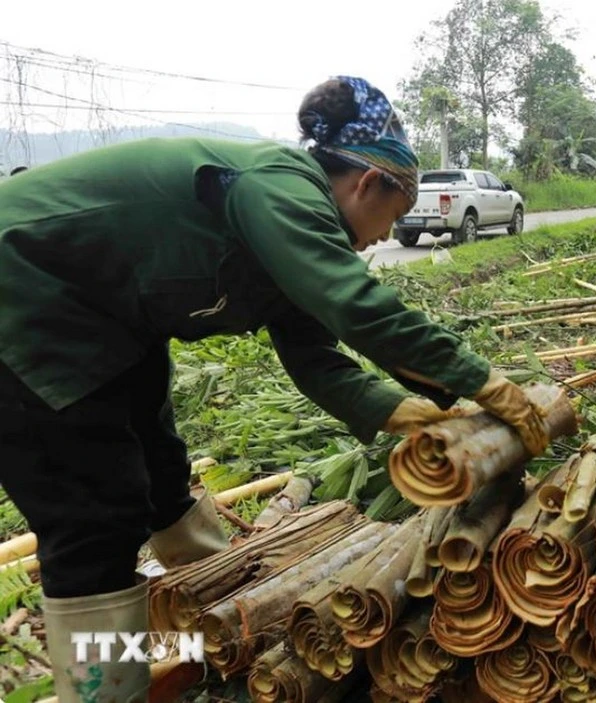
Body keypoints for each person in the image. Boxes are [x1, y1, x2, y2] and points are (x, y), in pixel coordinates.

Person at [0, 75, 549, 702]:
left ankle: (216, 621)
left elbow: (315, 356)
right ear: (370, 183)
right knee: (96, 516)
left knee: (158, 475)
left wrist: (405, 412)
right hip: (24, 299)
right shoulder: (280, 187)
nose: (376, 241)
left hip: (107, 322)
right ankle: (103, 689)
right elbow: (355, 304)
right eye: (389, 219)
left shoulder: (298, 224)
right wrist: (486, 383)